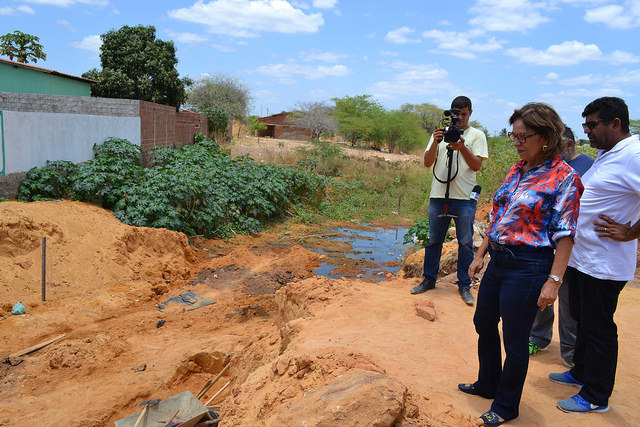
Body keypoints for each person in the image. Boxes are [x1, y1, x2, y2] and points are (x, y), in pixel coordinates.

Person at [459, 103, 583, 425]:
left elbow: (566, 234)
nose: (516, 142)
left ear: (546, 137)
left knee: (514, 340)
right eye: (513, 136)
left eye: (523, 136)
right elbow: (498, 215)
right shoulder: (517, 169)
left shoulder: (564, 178)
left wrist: (553, 282)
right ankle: (488, 383)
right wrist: (480, 253)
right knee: (483, 324)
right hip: (499, 260)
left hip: (529, 266)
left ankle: (505, 405)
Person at [550, 97, 640, 414]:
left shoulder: (634, 155)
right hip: (583, 257)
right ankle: (580, 372)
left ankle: (596, 395)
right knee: (584, 320)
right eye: (586, 124)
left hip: (605, 262)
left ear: (615, 123)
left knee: (600, 328)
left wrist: (631, 232)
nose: (587, 130)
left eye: (592, 124)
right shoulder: (608, 154)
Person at [411, 96, 488, 305]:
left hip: (464, 197)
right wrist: (436, 142)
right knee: (434, 240)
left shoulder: (476, 135)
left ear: (470, 113)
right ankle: (429, 280)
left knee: (464, 242)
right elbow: (428, 162)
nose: (459, 117)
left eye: (463, 114)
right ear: (450, 112)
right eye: (456, 113)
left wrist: (462, 147)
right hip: (438, 195)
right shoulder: (439, 134)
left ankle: (464, 285)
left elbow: (476, 166)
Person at [528, 126, 594, 365]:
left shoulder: (590, 167)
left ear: (569, 144)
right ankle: (538, 337)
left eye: (557, 146)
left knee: (567, 302)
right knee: (541, 296)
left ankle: (571, 354)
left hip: (574, 246)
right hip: (547, 244)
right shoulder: (548, 167)